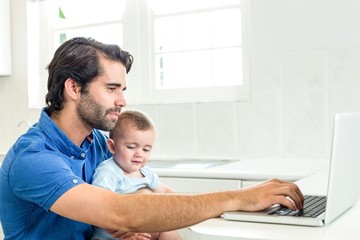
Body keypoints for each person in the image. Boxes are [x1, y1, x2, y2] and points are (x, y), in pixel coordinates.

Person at [0, 37, 304, 240]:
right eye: (112, 88)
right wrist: (239, 197)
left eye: (123, 90)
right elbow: (119, 210)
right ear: (74, 89)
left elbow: (132, 201)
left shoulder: (97, 144)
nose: (121, 101)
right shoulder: (34, 158)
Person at [91, 110, 181, 240]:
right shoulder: (108, 171)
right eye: (132, 147)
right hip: (113, 236)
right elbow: (100, 207)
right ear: (112, 146)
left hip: (142, 232)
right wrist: (124, 228)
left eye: (145, 149)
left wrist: (184, 205)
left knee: (167, 230)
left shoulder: (146, 173)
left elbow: (165, 192)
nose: (139, 154)